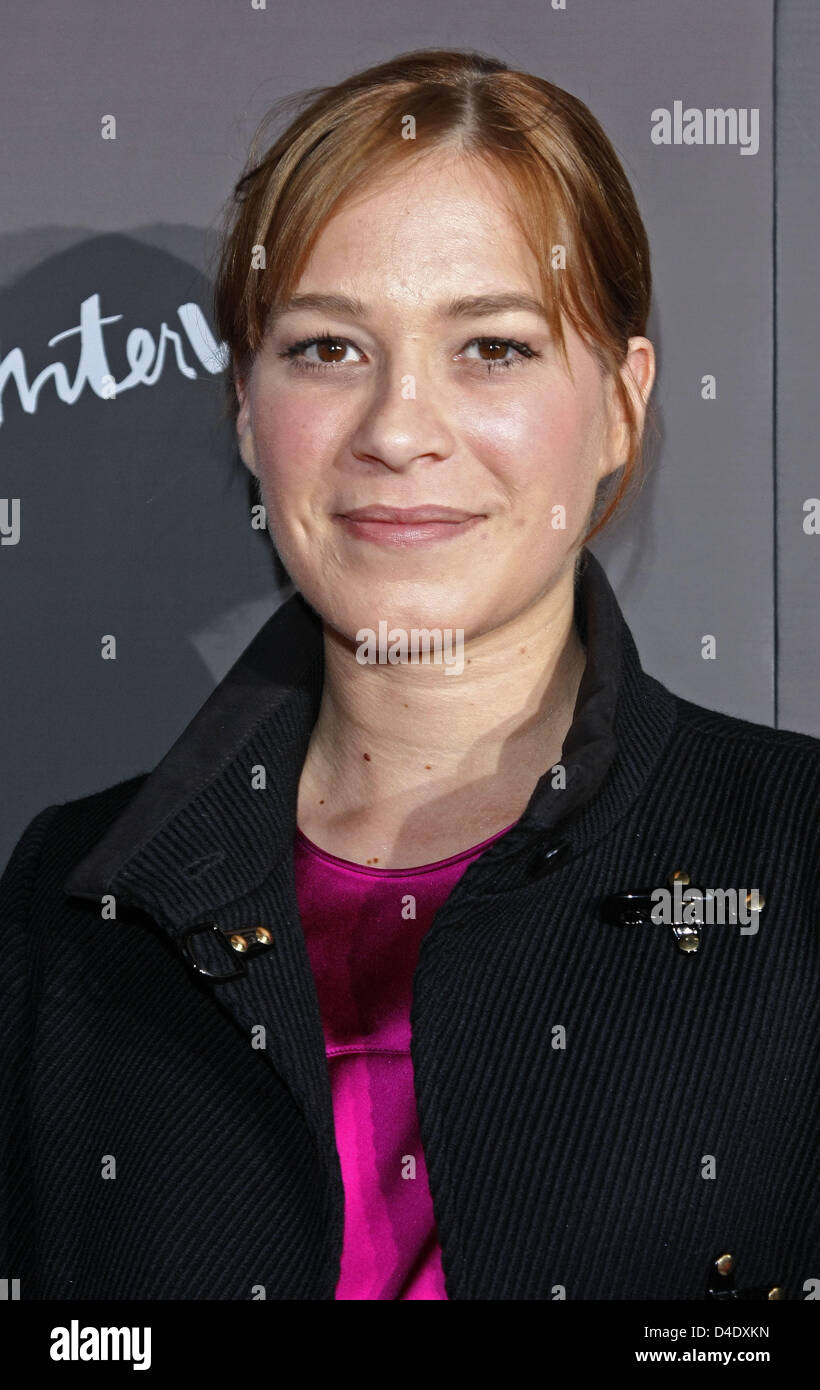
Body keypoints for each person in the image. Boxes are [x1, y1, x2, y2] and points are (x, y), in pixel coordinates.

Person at [1, 48, 817, 1303]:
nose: (395, 427)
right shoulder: (71, 899)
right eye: (328, 348)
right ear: (242, 409)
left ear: (619, 404)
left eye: (491, 347)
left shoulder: (799, 863)